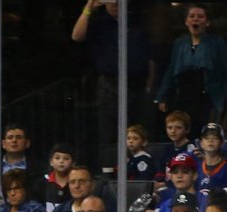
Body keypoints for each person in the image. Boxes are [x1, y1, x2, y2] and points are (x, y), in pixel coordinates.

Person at [71, 0, 155, 149]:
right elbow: (77, 36)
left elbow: (150, 56)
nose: (116, 5)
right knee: (109, 130)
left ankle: (139, 166)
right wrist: (89, 6)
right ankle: (110, 169)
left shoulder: (136, 23)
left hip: (136, 84)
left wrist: (148, 86)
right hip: (109, 84)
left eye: (119, 2)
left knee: (138, 130)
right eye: (112, 2)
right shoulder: (99, 23)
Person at [156, 4, 227, 134]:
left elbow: (224, 70)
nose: (196, 19)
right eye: (192, 16)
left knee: (207, 132)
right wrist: (163, 96)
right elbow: (172, 70)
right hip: (184, 95)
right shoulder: (180, 43)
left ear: (207, 22)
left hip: (208, 96)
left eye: (200, 16)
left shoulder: (217, 43)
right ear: (186, 21)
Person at [154, 111, 197, 189]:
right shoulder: (166, 149)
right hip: (166, 189)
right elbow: (160, 173)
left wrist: (166, 184)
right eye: (169, 127)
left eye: (178, 128)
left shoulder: (193, 148)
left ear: (187, 130)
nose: (173, 131)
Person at [37, 143, 76, 212]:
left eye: (66, 158)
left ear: (73, 163)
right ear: (51, 162)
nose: (61, 161)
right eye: (57, 158)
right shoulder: (42, 183)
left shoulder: (76, 184)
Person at [195, 122, 227, 194]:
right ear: (201, 143)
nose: (210, 141)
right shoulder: (196, 167)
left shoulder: (225, 167)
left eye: (215, 138)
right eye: (207, 138)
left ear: (222, 143)